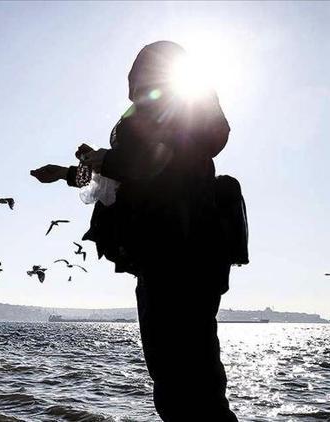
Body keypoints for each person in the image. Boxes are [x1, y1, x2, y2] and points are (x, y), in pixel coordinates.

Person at [32, 41, 238, 421]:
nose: (135, 88)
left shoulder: (186, 111)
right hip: (162, 263)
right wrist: (64, 173)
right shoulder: (152, 116)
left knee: (191, 388)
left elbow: (152, 163)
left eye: (140, 77)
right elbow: (125, 174)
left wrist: (108, 158)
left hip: (181, 263)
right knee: (178, 386)